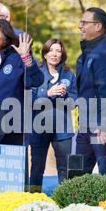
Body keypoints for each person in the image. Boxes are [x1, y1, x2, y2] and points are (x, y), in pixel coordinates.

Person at [74, 7, 106, 177]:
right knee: (77, 173)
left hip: (101, 125)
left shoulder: (104, 54)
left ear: (98, 26)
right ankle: (75, 203)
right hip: (86, 122)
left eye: (84, 22)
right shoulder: (87, 53)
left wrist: (103, 126)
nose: (80, 26)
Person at [29, 39, 77, 192]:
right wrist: (47, 93)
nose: (54, 54)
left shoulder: (69, 74)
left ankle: (66, 200)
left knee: (65, 168)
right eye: (51, 50)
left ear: (62, 54)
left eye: (58, 51)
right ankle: (33, 198)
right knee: (37, 167)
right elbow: (29, 100)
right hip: (39, 126)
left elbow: (75, 99)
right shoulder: (35, 72)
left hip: (62, 128)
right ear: (45, 53)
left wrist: (66, 95)